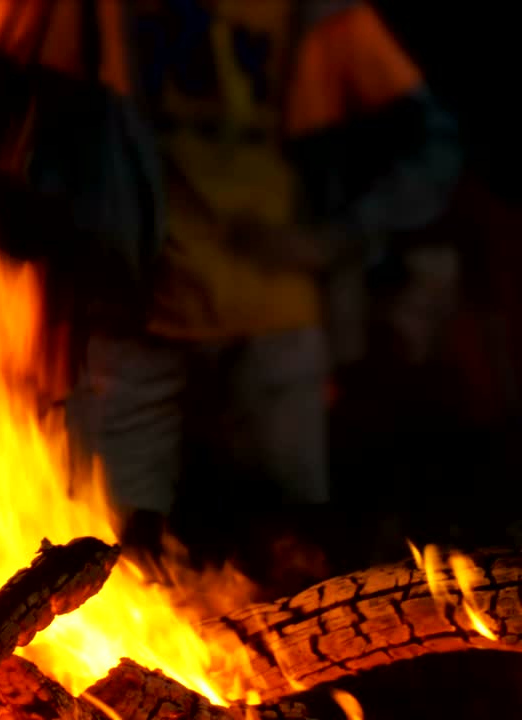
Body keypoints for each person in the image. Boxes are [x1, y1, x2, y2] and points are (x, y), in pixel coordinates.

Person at [65, 0, 462, 592]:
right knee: (107, 555)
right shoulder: (100, 9)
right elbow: (39, 115)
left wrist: (337, 237)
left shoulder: (317, 10)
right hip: (134, 322)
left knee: (288, 562)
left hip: (275, 330)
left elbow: (432, 144)